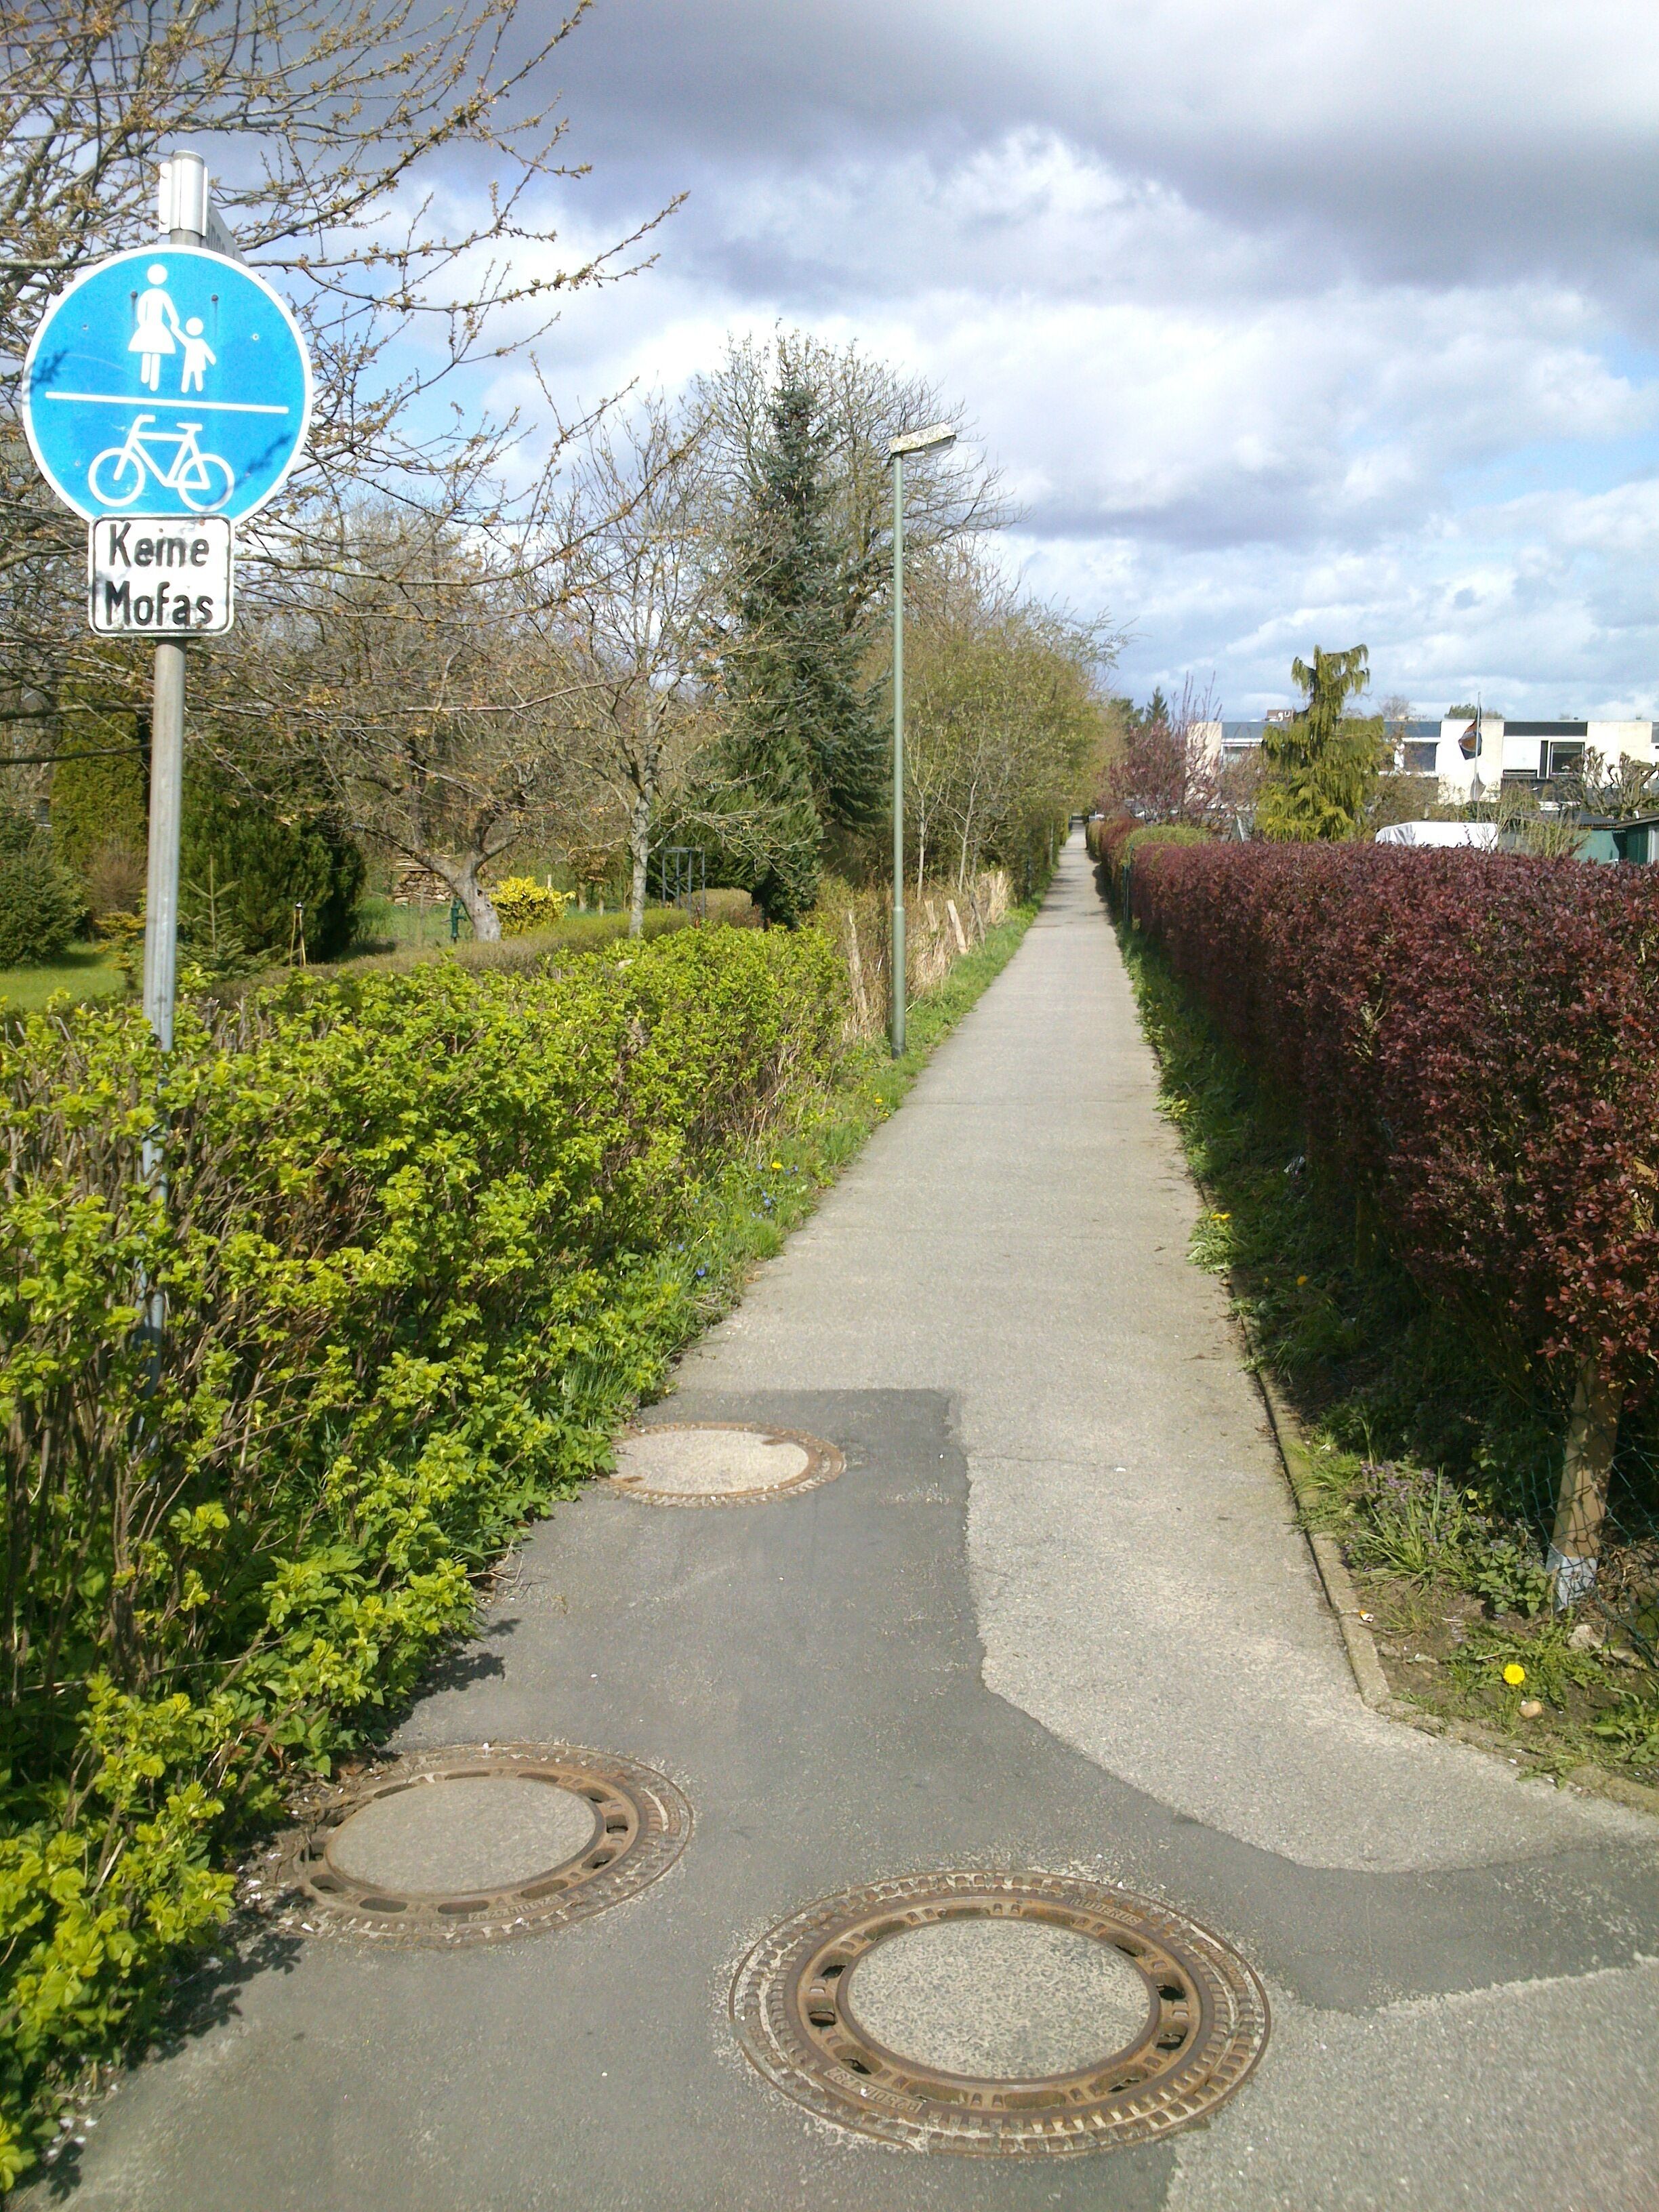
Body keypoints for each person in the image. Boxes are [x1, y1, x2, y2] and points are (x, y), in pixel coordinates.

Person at [129, 266, 182, 392]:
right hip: (154, 327)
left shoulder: (151, 295)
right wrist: (174, 323)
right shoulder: (156, 295)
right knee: (151, 352)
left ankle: (150, 382)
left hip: (151, 326)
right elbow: (171, 313)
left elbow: (141, 312)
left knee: (153, 352)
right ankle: (148, 382)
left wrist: (143, 324)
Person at [179, 316, 216, 394]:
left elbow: (207, 351)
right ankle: (185, 389)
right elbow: (181, 337)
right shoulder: (192, 342)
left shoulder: (199, 342)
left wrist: (212, 360)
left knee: (196, 375)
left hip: (195, 363)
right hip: (191, 363)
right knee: (189, 375)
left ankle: (197, 389)